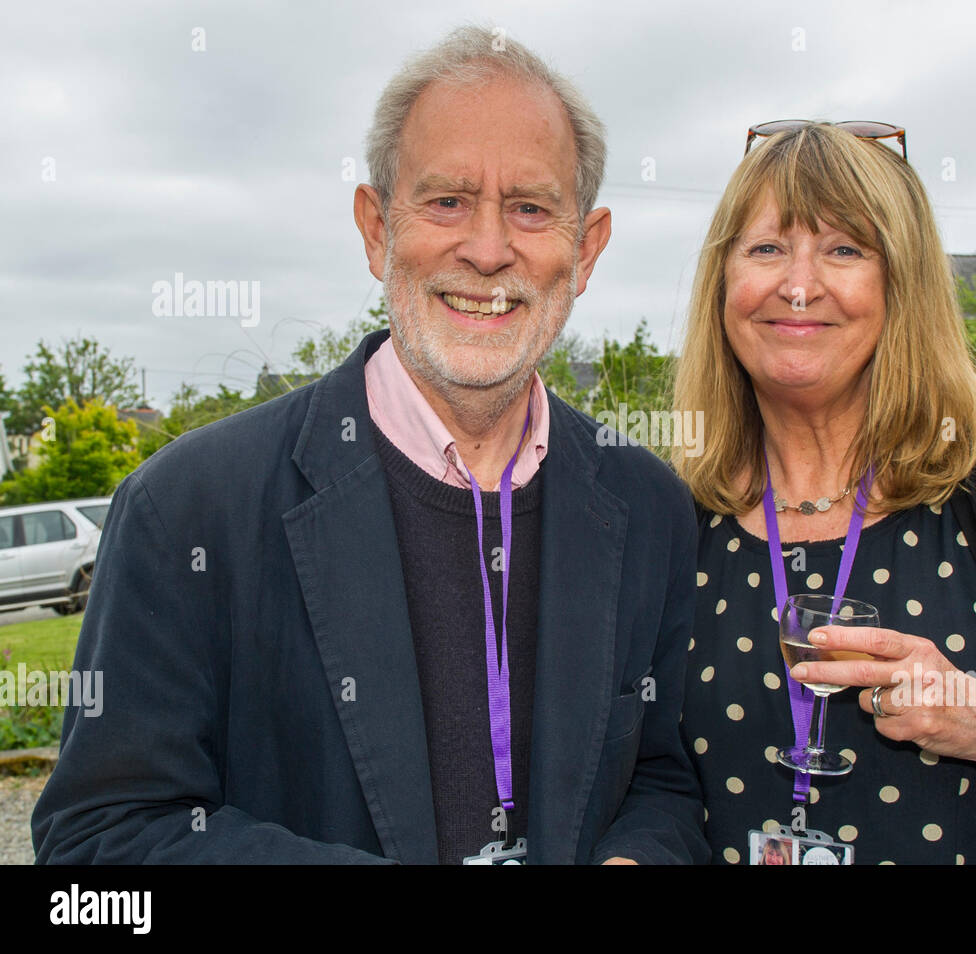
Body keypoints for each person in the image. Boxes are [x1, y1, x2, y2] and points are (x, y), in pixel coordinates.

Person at [33, 26, 707, 866]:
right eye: (448, 200)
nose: (489, 249)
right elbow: (101, 839)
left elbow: (665, 782)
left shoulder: (650, 507)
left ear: (586, 248)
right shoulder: (186, 510)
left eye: (531, 208)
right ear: (376, 227)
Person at [672, 122, 976, 864]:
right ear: (722, 283)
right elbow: (644, 783)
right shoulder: (675, 511)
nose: (799, 285)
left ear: (901, 284)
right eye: (766, 247)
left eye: (845, 249)